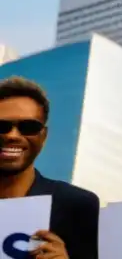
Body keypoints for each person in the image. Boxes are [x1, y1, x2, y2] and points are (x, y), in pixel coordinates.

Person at [0, 77, 100, 259]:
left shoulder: (78, 206)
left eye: (28, 127)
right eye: (2, 126)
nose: (12, 135)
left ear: (43, 136)